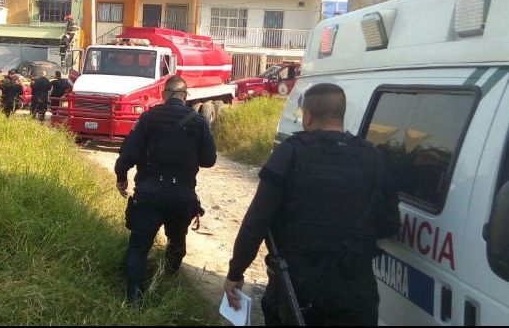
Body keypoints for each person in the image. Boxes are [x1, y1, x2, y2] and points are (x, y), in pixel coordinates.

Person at [222, 83, 400, 326]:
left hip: (296, 289)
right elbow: (390, 224)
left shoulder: (290, 154)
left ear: (307, 116)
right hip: (355, 292)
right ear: (341, 114)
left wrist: (235, 272)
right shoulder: (375, 159)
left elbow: (257, 222)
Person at [115, 76, 217, 306]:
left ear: (163, 94)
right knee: (176, 243)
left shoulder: (149, 117)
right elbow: (209, 160)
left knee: (139, 246)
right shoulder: (198, 121)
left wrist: (121, 178)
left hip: (149, 192)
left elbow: (128, 154)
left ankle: (133, 299)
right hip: (181, 195)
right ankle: (168, 283)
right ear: (185, 96)